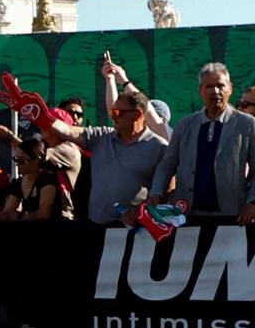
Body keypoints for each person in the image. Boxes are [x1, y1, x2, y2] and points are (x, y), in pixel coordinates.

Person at [148, 62, 255, 328]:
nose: (215, 91)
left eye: (220, 85)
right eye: (208, 86)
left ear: (230, 88)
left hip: (231, 215)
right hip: (189, 215)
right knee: (188, 284)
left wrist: (254, 202)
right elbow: (167, 164)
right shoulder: (187, 125)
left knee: (233, 285)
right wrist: (157, 192)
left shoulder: (246, 123)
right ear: (200, 91)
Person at [47, 84, 168, 227]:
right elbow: (67, 131)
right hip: (96, 227)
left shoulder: (159, 147)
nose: (113, 117)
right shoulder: (101, 136)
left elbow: (165, 192)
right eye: (112, 112)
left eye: (118, 113)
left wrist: (141, 213)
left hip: (133, 230)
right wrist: (40, 115)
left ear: (138, 115)